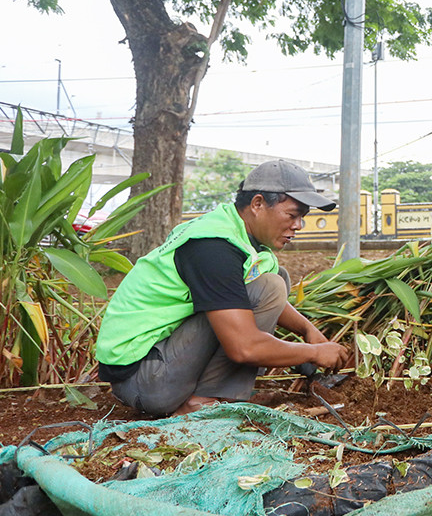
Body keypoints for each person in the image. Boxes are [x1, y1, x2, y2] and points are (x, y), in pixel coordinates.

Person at [95, 160, 351, 416]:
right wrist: (314, 353)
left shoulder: (236, 235)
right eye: (292, 215)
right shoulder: (212, 246)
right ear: (258, 204)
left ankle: (209, 395)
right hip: (146, 380)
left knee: (275, 279)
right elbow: (244, 347)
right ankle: (202, 403)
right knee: (270, 286)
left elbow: (258, 296)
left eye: (302, 218)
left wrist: (307, 329)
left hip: (158, 365)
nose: (298, 226)